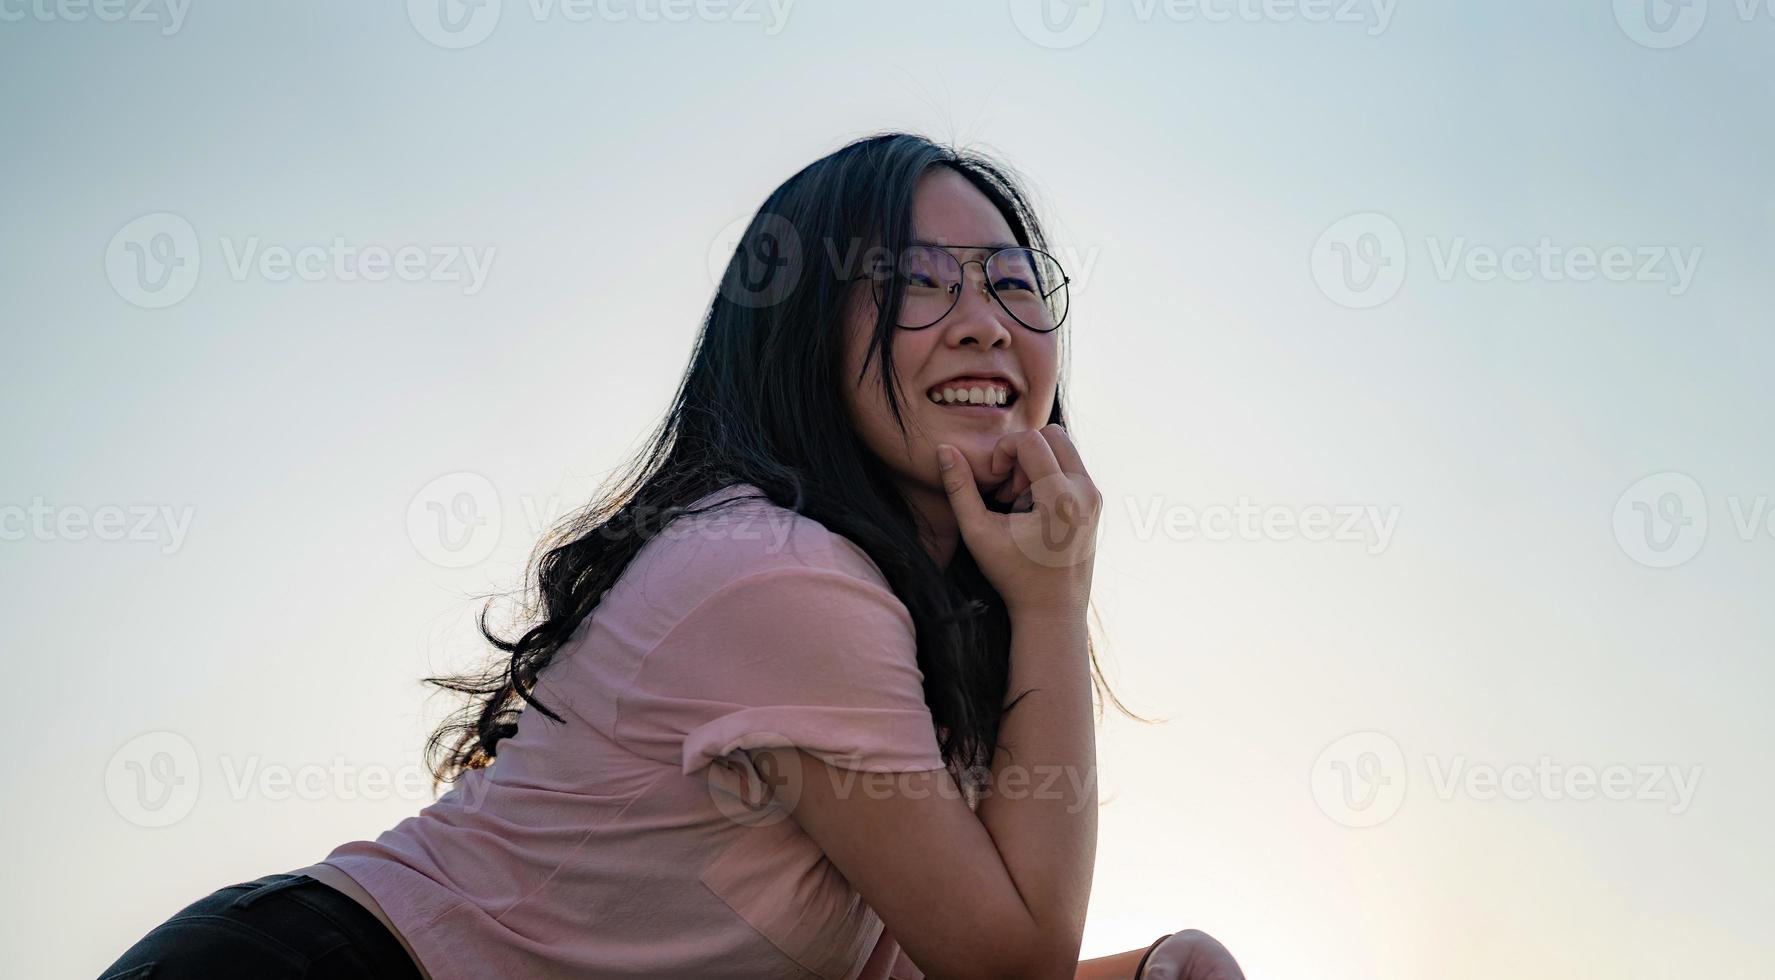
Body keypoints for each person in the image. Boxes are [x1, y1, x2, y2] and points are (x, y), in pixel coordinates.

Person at [99, 132, 1246, 979]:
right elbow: (1009, 963)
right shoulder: (781, 573)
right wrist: (1052, 597)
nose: (984, 319)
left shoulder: (896, 623)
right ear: (804, 330)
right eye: (914, 280)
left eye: (1009, 280)